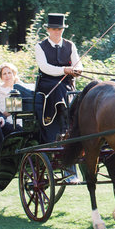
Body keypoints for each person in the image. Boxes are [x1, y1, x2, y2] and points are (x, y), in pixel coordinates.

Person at [35, 13, 82, 181]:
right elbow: (44, 67)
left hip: (67, 85)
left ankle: (73, 115)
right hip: (48, 84)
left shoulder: (70, 45)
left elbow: (77, 63)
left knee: (75, 91)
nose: (57, 32)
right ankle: (64, 119)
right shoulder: (40, 46)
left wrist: (77, 70)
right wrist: (64, 70)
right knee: (61, 89)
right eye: (54, 29)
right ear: (48, 30)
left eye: (60, 29)